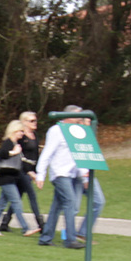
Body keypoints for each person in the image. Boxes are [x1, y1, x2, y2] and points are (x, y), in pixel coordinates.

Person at [36, 106, 87, 249]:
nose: (80, 117)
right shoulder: (56, 131)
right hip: (60, 174)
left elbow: (79, 154)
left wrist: (84, 176)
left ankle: (46, 238)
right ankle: (70, 239)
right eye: (77, 114)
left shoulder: (77, 131)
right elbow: (47, 153)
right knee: (70, 202)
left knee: (56, 207)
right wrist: (41, 174)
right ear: (68, 115)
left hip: (71, 174)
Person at [0, 119, 38, 236]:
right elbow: (2, 154)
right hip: (6, 179)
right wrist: (14, 152)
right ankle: (26, 228)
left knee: (1, 205)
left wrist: (30, 172)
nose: (22, 133)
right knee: (16, 203)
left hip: (11, 179)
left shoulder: (16, 144)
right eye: (20, 131)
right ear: (14, 131)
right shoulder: (8, 142)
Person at [0, 111, 43, 232]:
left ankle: (5, 222)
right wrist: (29, 172)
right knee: (31, 195)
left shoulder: (35, 136)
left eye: (35, 120)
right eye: (31, 121)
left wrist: (37, 171)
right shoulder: (21, 138)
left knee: (17, 196)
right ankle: (41, 224)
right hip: (22, 170)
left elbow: (35, 155)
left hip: (31, 169)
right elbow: (20, 156)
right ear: (24, 122)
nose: (35, 123)